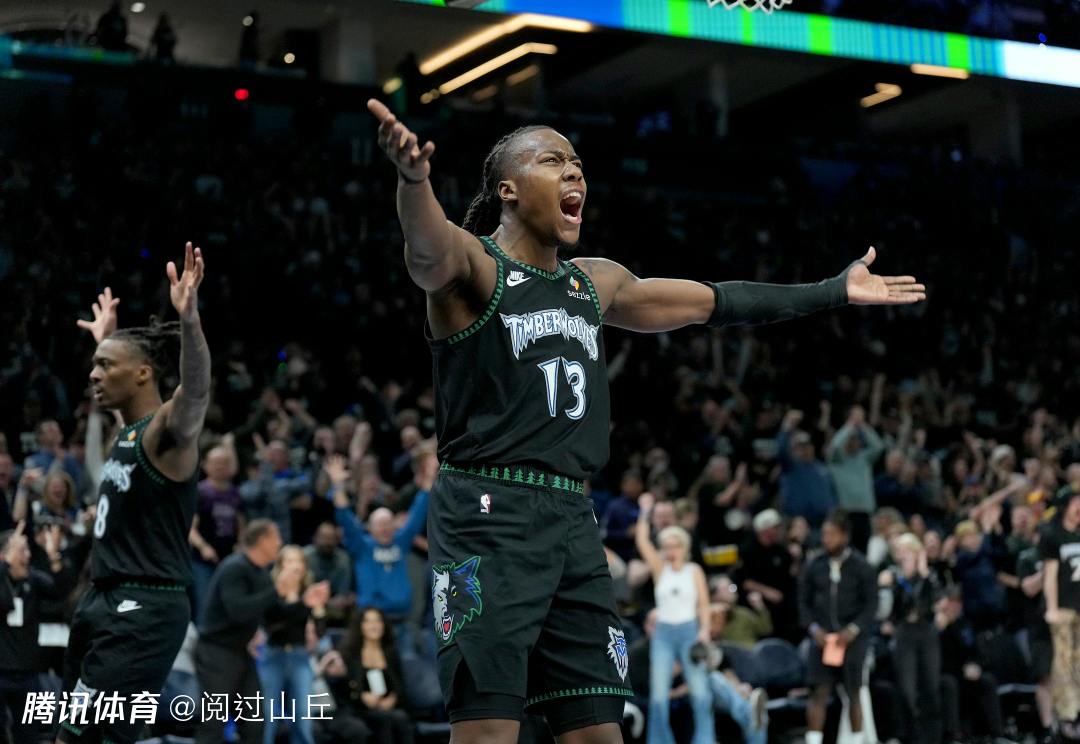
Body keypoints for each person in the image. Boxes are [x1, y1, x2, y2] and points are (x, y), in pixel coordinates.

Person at [365, 96, 924, 743]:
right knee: (489, 730)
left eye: (578, 164)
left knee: (599, 733)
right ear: (508, 190)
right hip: (487, 513)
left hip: (572, 518)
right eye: (553, 161)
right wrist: (413, 181)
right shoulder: (477, 266)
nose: (574, 173)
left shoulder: (594, 283)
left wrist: (833, 290)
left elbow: (713, 302)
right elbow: (427, 251)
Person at [58, 245, 211, 744]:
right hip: (102, 599)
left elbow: (195, 392)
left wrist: (189, 319)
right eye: (95, 365)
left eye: (105, 365)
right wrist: (109, 340)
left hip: (145, 605)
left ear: (143, 373)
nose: (93, 374)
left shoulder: (167, 434)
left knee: (92, 737)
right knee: (69, 735)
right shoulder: (126, 431)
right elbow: (124, 367)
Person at [195, 520, 329, 744]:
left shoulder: (261, 573)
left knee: (255, 723)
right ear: (263, 540)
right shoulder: (235, 567)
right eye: (276, 538)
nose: (279, 543)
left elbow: (275, 616)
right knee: (213, 724)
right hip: (217, 653)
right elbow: (238, 611)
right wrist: (277, 590)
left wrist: (306, 603)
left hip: (241, 653)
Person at [635, 492, 713, 744]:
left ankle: (705, 740)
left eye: (675, 546)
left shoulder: (694, 571)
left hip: (690, 632)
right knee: (659, 696)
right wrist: (645, 511)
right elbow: (642, 541)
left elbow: (703, 604)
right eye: (666, 546)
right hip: (664, 634)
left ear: (684, 547)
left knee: (700, 693)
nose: (671, 551)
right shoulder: (660, 569)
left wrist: (705, 631)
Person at [798, 510, 878, 744]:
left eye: (831, 534)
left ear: (845, 536)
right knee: (818, 692)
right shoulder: (815, 565)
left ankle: (855, 740)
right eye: (824, 534)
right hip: (821, 639)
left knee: (853, 693)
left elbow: (871, 605)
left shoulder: (861, 566)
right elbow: (803, 602)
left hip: (852, 639)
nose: (826, 539)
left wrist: (853, 629)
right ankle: (813, 741)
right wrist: (814, 629)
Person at [1, 522, 66, 744]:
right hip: (1, 672)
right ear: (5, 556)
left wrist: (54, 556)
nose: (27, 555)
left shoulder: (33, 580)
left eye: (28, 549)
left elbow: (59, 590)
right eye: (21, 550)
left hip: (27, 673)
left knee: (29, 734)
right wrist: (4, 566)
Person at [259, 545, 327, 744]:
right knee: (267, 714)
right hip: (273, 655)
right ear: (280, 566)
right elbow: (270, 624)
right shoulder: (271, 592)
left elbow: (320, 630)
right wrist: (302, 604)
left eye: (298, 561)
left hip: (300, 656)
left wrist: (319, 610)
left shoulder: (310, 592)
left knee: (303, 714)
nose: (294, 566)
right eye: (289, 561)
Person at [883, 532, 942, 744]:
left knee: (931, 687)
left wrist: (924, 574)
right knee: (907, 689)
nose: (903, 555)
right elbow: (894, 609)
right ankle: (911, 736)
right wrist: (900, 580)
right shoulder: (894, 576)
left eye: (907, 550)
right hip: (904, 633)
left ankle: (932, 738)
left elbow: (935, 602)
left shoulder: (929, 576)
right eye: (900, 551)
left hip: (926, 632)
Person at [326, 606, 414, 744]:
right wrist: (362, 697)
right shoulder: (348, 653)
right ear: (360, 626)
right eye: (368, 621)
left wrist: (392, 698)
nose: (374, 626)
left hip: (389, 707)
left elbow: (400, 685)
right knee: (383, 720)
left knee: (400, 717)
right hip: (359, 709)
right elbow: (343, 690)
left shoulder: (391, 652)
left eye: (377, 621)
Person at [189, 440, 244, 623]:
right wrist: (203, 547)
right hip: (203, 560)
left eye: (224, 463)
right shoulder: (200, 492)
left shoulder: (235, 493)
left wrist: (241, 543)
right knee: (205, 603)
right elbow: (190, 528)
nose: (220, 466)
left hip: (229, 557)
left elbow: (240, 522)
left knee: (229, 603)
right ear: (205, 465)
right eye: (216, 462)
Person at [1042, 492, 1080, 740]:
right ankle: (1068, 714)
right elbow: (1050, 575)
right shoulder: (1053, 536)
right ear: (1065, 507)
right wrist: (1052, 608)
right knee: (1064, 663)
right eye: (1076, 503)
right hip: (1064, 608)